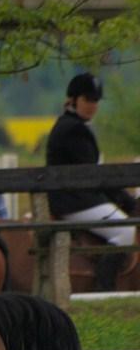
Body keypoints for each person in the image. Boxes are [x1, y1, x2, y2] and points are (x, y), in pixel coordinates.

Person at [46, 72, 137, 291]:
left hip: (80, 197)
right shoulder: (73, 130)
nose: (92, 106)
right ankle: (103, 289)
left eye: (95, 101)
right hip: (74, 201)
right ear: (73, 99)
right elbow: (96, 177)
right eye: (87, 100)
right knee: (125, 230)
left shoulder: (73, 125)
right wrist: (128, 201)